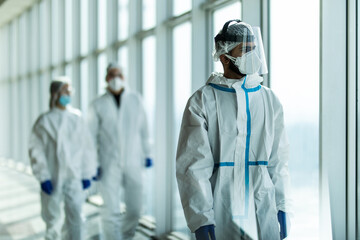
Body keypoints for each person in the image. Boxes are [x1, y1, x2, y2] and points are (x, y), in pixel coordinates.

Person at [176, 20, 292, 240]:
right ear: (224, 57)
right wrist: (201, 217)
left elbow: (279, 161)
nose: (253, 55)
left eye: (253, 48)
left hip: (262, 207)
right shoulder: (203, 100)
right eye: (245, 49)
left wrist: (283, 205)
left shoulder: (268, 99)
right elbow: (193, 166)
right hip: (221, 208)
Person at [87, 62, 152, 240]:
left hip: (133, 161)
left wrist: (148, 154)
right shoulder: (98, 104)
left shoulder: (136, 99)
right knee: (110, 210)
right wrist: (93, 164)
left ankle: (126, 236)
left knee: (136, 208)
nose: (116, 78)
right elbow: (90, 137)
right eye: (112, 75)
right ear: (106, 78)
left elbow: (145, 130)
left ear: (124, 77)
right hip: (108, 163)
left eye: (119, 75)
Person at [28, 76, 97, 240]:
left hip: (74, 177)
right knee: (53, 220)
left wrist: (87, 173)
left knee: (76, 219)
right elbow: (36, 150)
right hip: (53, 177)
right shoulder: (45, 121)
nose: (68, 94)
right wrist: (43, 176)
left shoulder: (77, 118)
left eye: (69, 90)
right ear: (55, 94)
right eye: (64, 91)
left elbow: (87, 147)